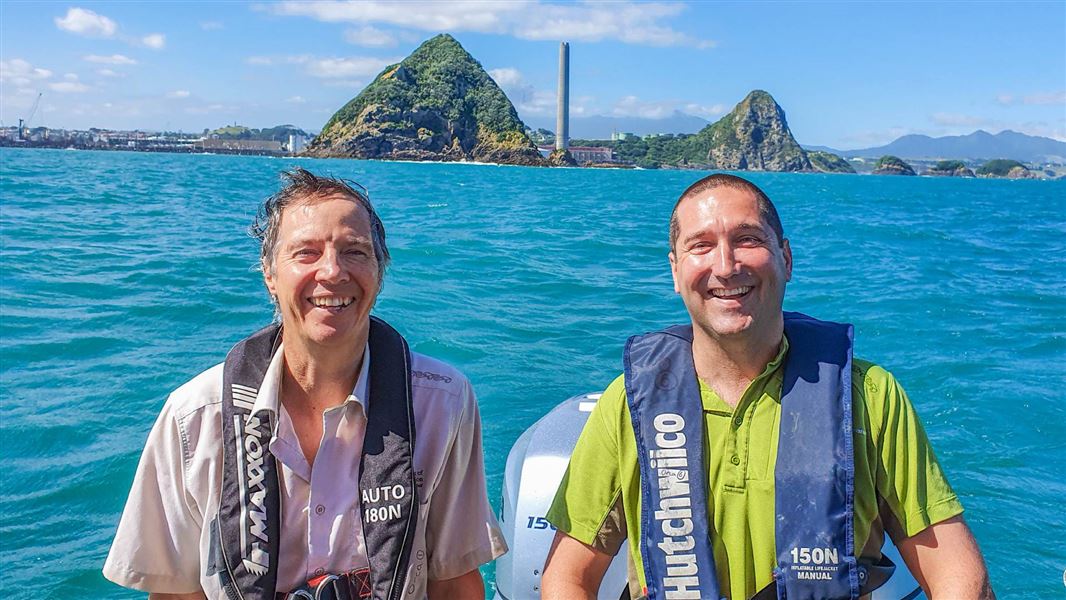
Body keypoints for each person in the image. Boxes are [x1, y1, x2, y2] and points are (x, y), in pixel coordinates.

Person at [541, 173, 993, 600]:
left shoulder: (869, 396)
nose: (725, 266)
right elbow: (568, 576)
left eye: (748, 239)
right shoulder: (631, 404)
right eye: (701, 246)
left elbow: (954, 570)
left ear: (786, 258)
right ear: (675, 271)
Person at [104, 168, 506, 600]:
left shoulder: (442, 402)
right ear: (269, 274)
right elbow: (176, 593)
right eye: (306, 253)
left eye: (355, 251)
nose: (332, 271)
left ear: (379, 271)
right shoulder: (194, 417)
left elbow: (453, 582)